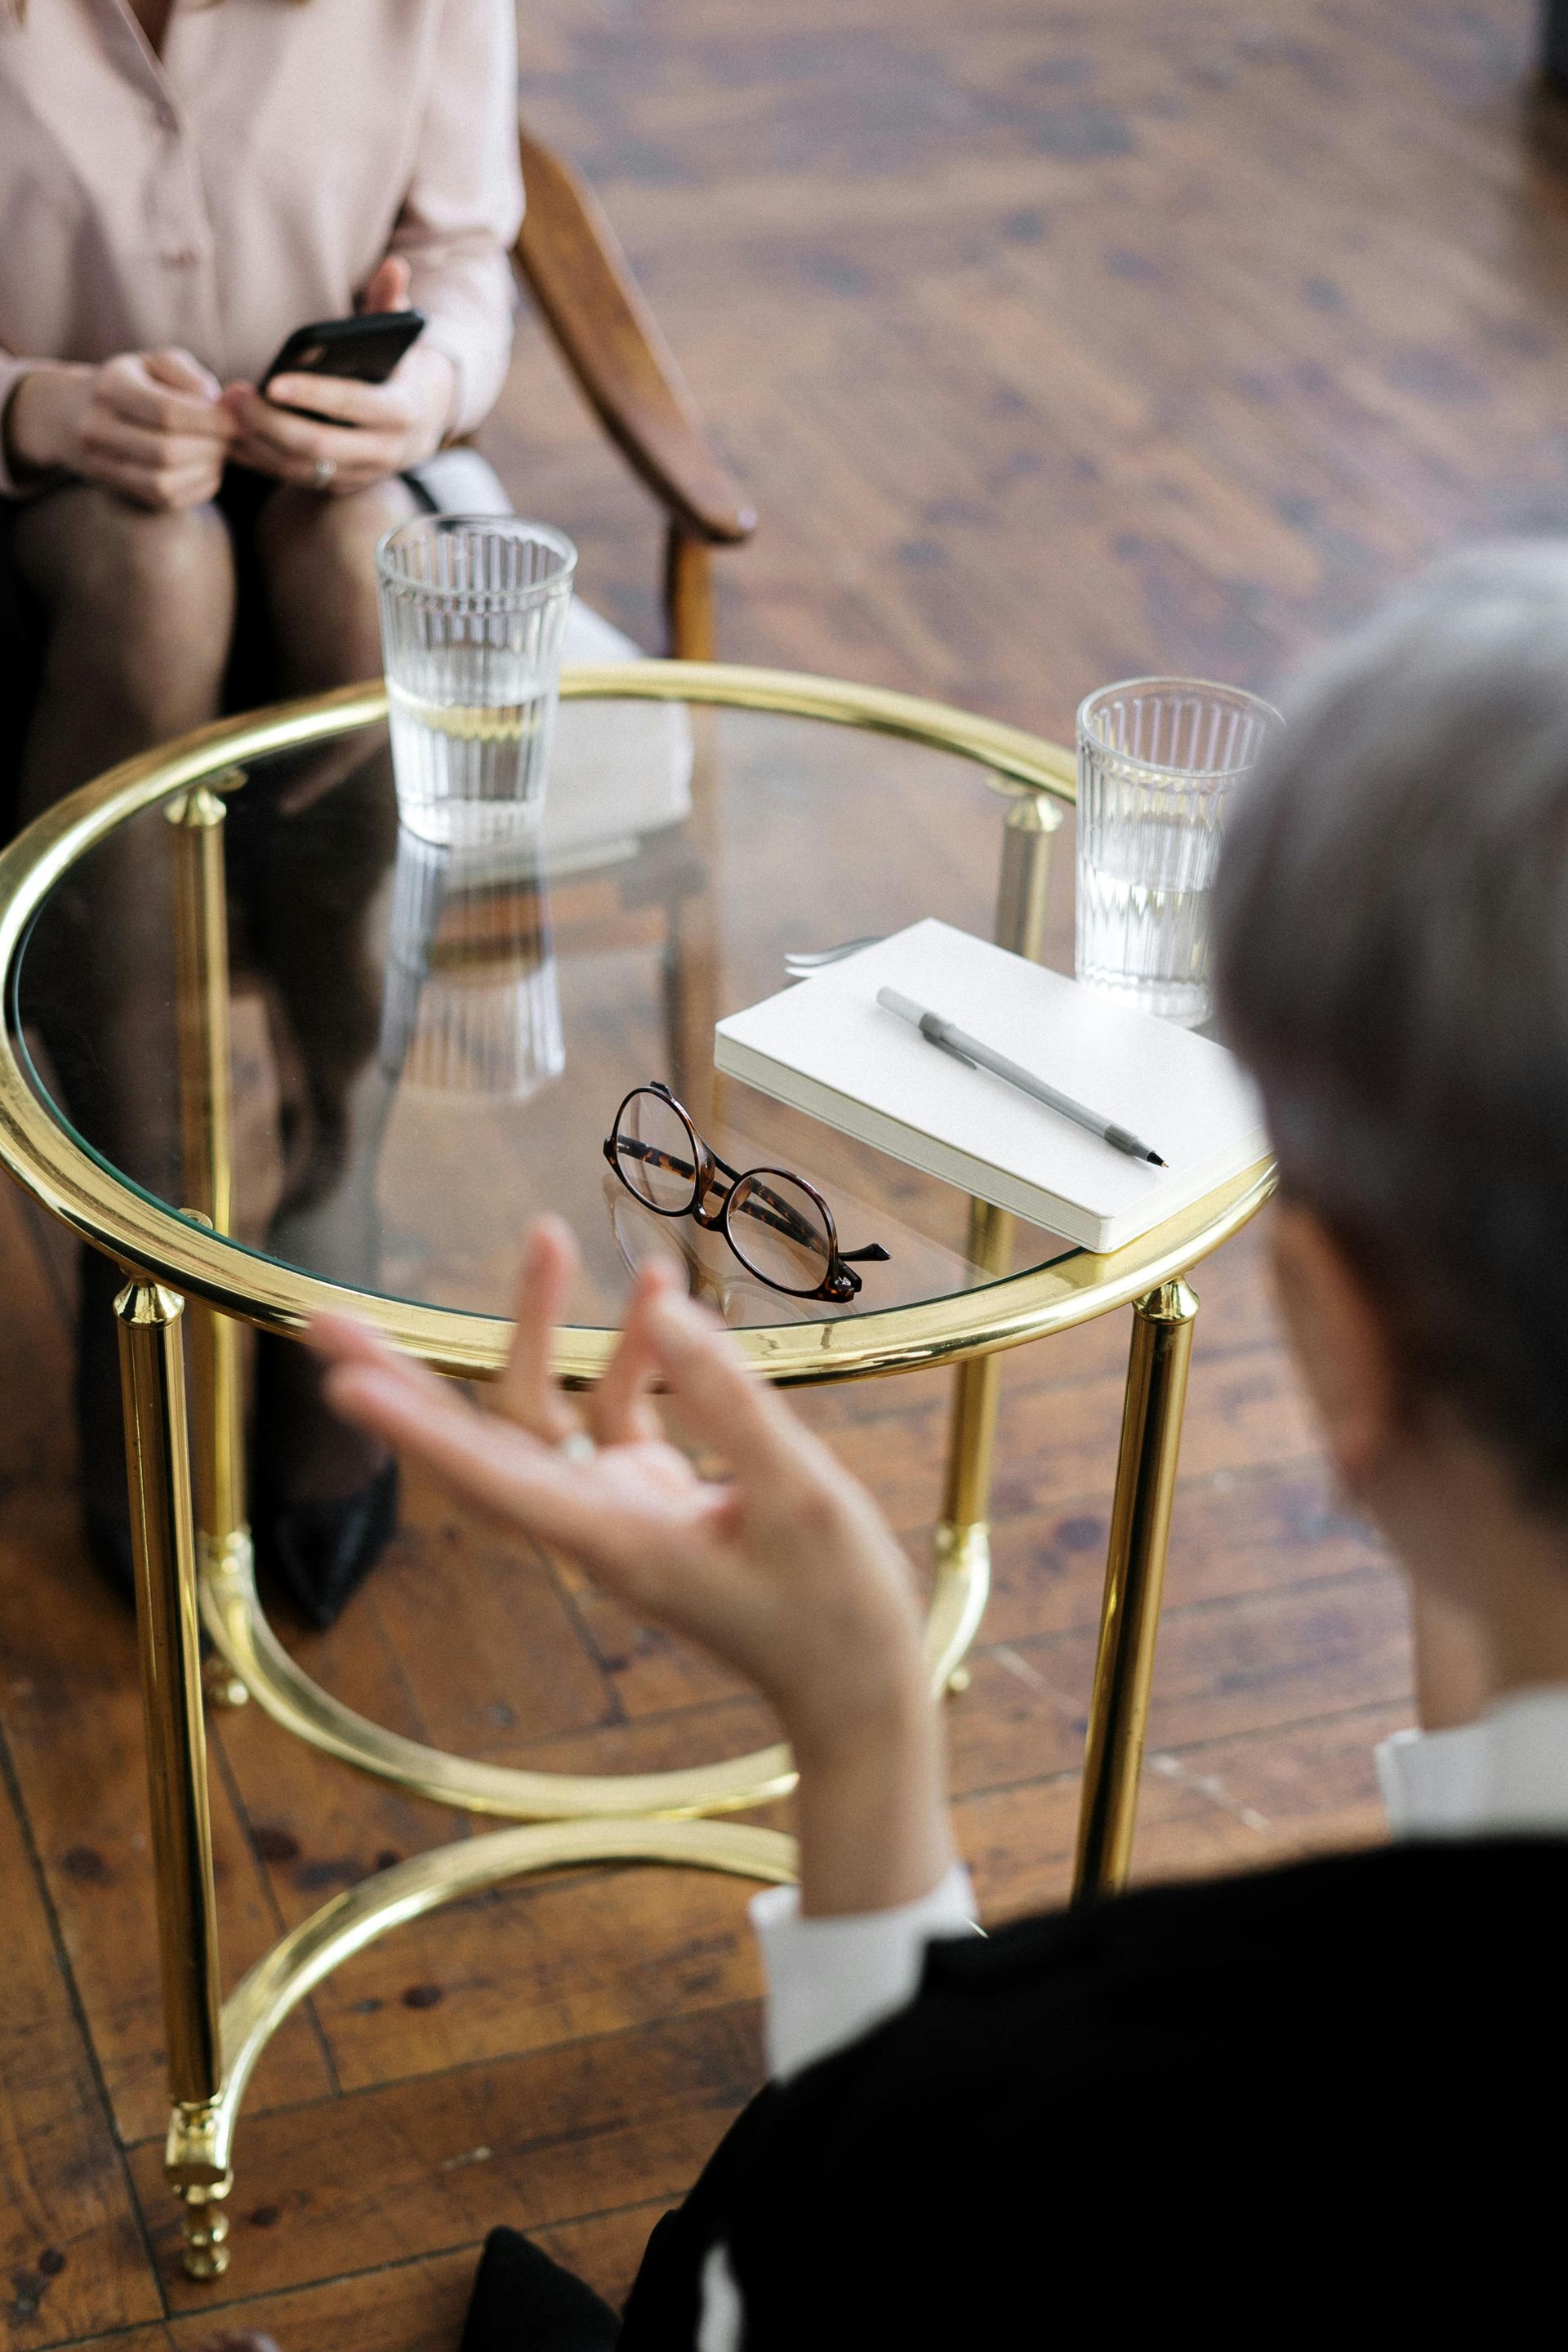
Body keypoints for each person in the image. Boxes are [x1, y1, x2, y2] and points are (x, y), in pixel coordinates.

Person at [312, 543, 1568, 2341]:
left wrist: (861, 1721)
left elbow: (860, 2255)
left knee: (738, 2209)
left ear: (1343, 1333)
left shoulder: (1093, 2122)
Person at [0, 0, 523, 1619]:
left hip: (327, 511)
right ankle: (133, 1273)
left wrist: (416, 390)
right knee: (159, 576)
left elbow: (466, 267)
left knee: (354, 551)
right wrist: (36, 403)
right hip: (32, 528)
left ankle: (331, 1218)